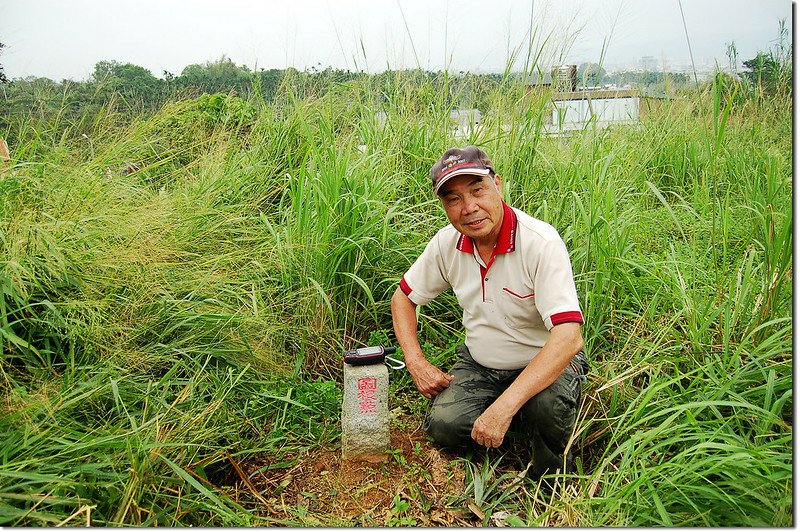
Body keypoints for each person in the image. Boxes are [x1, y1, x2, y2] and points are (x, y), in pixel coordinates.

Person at [391, 146, 588, 479]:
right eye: (453, 199)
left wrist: (504, 406)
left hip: (541, 360)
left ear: (498, 184)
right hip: (480, 364)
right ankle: (509, 424)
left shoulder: (540, 242)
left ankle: (548, 477)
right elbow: (403, 298)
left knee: (548, 409)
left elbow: (568, 338)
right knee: (444, 426)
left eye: (477, 190)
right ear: (444, 206)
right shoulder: (446, 244)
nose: (469, 208)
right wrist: (416, 361)